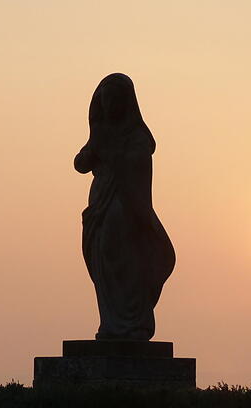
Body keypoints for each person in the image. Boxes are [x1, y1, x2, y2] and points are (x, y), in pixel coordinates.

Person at [74, 73, 176, 341]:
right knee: (104, 265)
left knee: (125, 263)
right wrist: (93, 149)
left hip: (126, 207)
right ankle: (111, 323)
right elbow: (80, 164)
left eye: (115, 100)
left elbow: (136, 167)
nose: (110, 106)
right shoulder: (101, 133)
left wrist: (112, 154)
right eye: (105, 101)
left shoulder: (137, 138)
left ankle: (132, 322)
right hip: (100, 207)